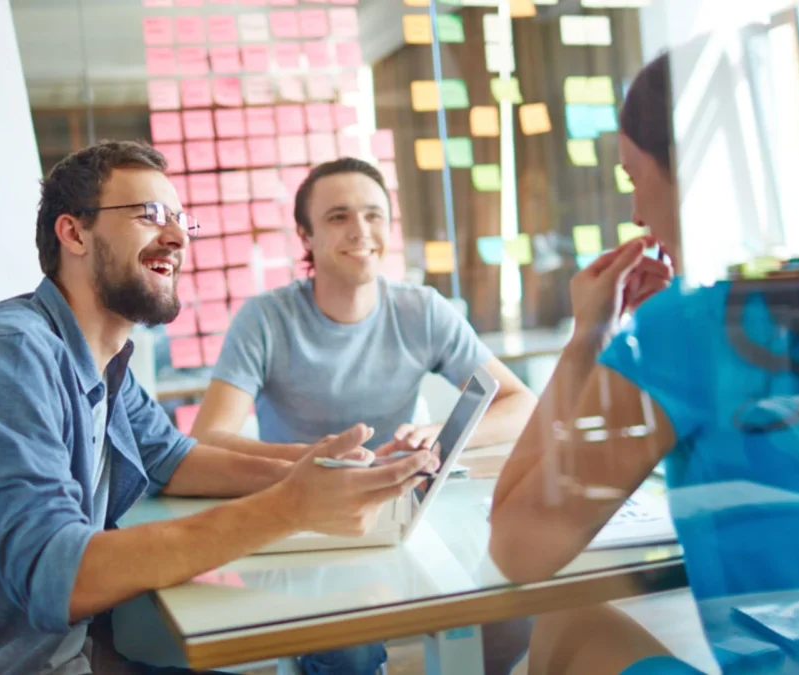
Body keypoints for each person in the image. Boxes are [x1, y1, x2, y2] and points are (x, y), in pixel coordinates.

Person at [0, 141, 437, 675]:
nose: (179, 238)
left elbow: (174, 457)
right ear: (74, 234)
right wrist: (288, 506)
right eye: (150, 216)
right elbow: (57, 575)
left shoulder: (103, 355)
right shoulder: (10, 355)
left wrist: (323, 474)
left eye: (181, 220)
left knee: (333, 650)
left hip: (62, 655)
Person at [490, 51, 799, 675]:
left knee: (566, 620)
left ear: (692, 176)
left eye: (635, 177)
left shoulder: (687, 330)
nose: (637, 213)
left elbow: (517, 547)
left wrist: (590, 337)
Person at [190, 157, 538, 675]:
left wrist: (440, 440)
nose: (361, 230)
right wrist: (322, 459)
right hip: (306, 524)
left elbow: (519, 403)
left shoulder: (423, 310)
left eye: (374, 215)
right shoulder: (266, 319)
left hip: (404, 514)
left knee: (509, 607)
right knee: (349, 653)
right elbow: (208, 438)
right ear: (305, 236)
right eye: (338, 217)